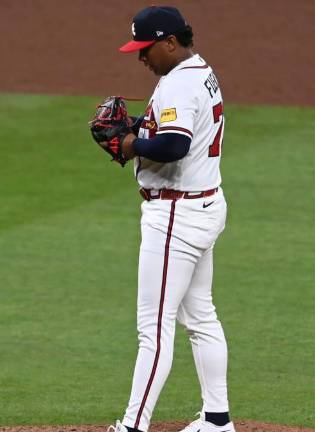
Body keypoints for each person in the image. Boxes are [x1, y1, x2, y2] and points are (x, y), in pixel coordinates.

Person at [103, 7, 235, 432]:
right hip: (204, 205)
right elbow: (175, 129)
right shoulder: (199, 72)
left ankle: (132, 426)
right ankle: (217, 420)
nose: (142, 57)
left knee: (154, 328)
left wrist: (129, 143)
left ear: (171, 42)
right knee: (201, 316)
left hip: (177, 214)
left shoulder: (178, 83)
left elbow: (175, 146)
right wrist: (140, 126)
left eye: (146, 49)